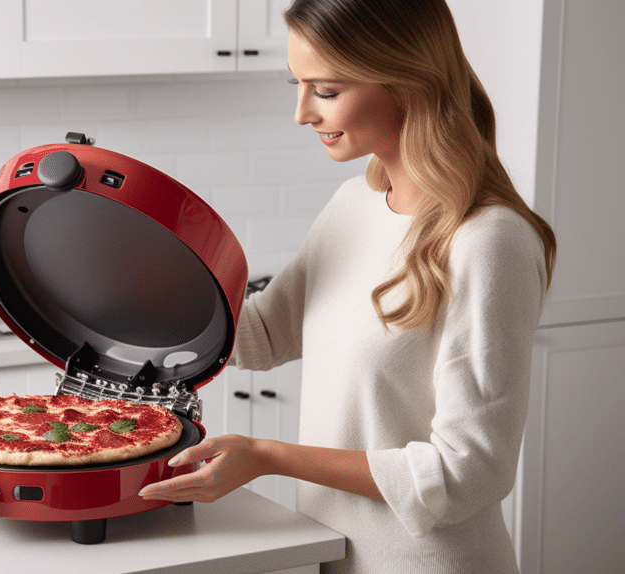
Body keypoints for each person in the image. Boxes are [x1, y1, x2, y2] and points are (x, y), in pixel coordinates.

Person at [137, 0, 557, 572]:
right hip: (334, 555)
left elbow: (469, 472)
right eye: (298, 84)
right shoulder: (353, 205)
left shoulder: (489, 241)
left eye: (326, 90)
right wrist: (135, 273)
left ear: (409, 83)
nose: (302, 112)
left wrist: (267, 456)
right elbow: (259, 335)